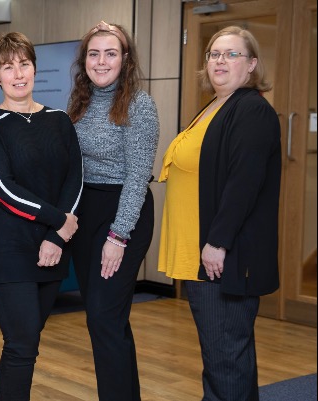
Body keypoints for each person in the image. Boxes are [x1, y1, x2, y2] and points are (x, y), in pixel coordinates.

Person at [158, 26, 280, 401]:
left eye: (232, 54)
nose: (220, 61)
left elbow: (244, 183)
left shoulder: (251, 110)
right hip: (204, 255)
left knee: (225, 356)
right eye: (214, 54)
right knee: (224, 355)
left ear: (252, 64)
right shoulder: (217, 105)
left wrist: (217, 242)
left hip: (222, 257)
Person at [0, 32, 82, 400]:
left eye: (24, 64)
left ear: (35, 68)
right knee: (21, 344)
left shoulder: (60, 120)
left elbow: (75, 179)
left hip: (53, 247)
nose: (18, 74)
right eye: (8, 67)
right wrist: (60, 222)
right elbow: (3, 188)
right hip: (7, 250)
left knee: (30, 341)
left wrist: (57, 236)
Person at [66, 21, 158, 401]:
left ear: (125, 59)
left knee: (104, 318)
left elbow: (138, 176)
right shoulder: (79, 102)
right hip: (86, 213)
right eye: (94, 53)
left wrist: (118, 236)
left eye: (110, 53)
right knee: (104, 319)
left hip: (123, 212)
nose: (101, 61)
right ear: (84, 60)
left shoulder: (139, 104)